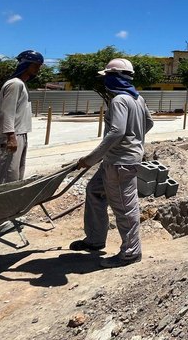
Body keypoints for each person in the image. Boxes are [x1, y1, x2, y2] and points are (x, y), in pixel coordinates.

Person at [70, 58, 154, 269]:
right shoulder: (137, 98)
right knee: (94, 190)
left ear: (114, 78)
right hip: (116, 160)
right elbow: (149, 122)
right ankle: (95, 239)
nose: (105, 81)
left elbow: (117, 131)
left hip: (120, 164)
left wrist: (90, 159)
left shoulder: (119, 101)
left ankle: (131, 253)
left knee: (125, 208)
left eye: (107, 76)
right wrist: (135, 139)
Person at [0, 50, 44, 187]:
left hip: (20, 134)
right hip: (12, 135)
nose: (38, 69)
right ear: (26, 64)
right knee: (4, 175)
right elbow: (7, 111)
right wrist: (11, 136)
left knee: (14, 174)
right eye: (35, 65)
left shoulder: (21, 84)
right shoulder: (15, 84)